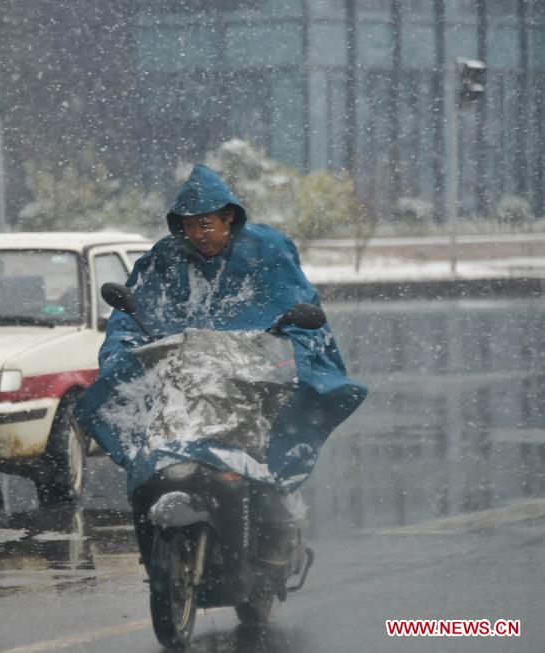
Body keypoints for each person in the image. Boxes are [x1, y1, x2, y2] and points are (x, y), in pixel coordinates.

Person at [74, 163, 367, 568]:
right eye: (190, 225)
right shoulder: (165, 259)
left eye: (207, 223)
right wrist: (122, 351)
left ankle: (277, 536)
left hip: (250, 377)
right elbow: (132, 315)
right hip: (183, 380)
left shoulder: (267, 250)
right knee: (147, 457)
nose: (199, 234)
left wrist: (290, 351)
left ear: (229, 216)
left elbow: (298, 309)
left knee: (269, 457)